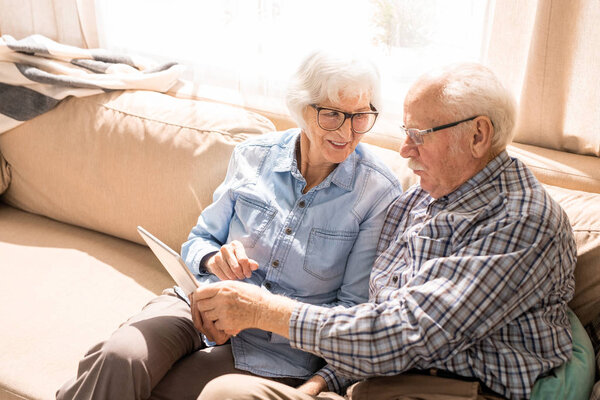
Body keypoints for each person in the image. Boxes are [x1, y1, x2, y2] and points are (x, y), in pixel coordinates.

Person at [192, 62, 577, 400]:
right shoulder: (415, 204)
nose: (405, 150)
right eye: (405, 132)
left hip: (455, 391)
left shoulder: (523, 221)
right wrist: (320, 383)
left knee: (227, 394)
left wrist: (261, 310)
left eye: (419, 134)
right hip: (372, 384)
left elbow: (404, 334)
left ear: (477, 135)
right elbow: (372, 318)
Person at [56, 49, 401, 400]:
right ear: (302, 108)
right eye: (331, 114)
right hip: (198, 303)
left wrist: (258, 313)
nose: (347, 131)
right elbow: (198, 241)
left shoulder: (377, 193)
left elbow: (351, 316)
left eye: (360, 116)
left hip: (273, 349)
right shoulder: (253, 155)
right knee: (119, 356)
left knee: (158, 387)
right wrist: (212, 259)